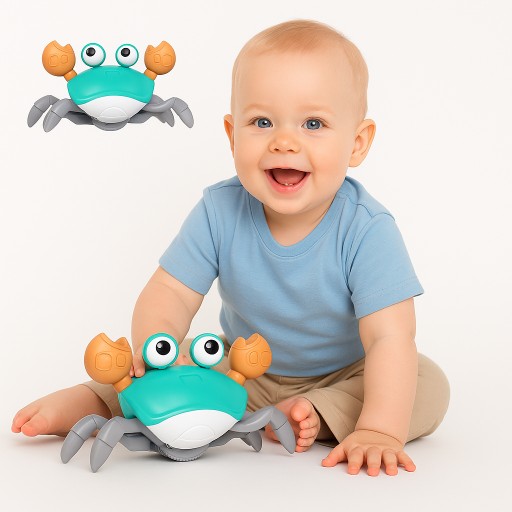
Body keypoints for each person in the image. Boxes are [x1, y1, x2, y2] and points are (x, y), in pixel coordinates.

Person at [11, 19, 449, 476]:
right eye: (262, 122)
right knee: (168, 362)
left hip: (345, 373)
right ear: (232, 134)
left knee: (424, 380)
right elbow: (171, 291)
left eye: (313, 123)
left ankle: (323, 412)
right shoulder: (219, 210)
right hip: (242, 368)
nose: (284, 141)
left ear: (357, 144)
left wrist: (381, 429)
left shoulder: (367, 229)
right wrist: (159, 347)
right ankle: (93, 400)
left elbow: (388, 337)